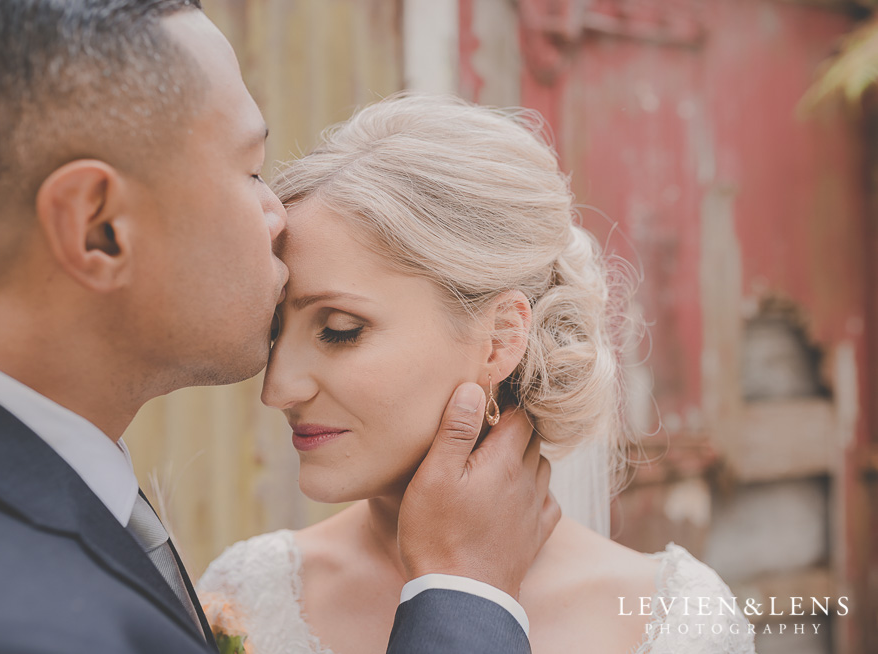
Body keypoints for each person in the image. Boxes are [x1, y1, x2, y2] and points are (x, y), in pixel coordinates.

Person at [0, 3, 560, 653]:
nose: (278, 215)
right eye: (248, 172)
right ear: (98, 226)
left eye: (339, 328)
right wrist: (466, 598)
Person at [198, 94, 758, 654]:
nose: (278, 390)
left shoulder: (673, 622)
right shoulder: (245, 597)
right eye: (275, 329)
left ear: (499, 340)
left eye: (341, 329)